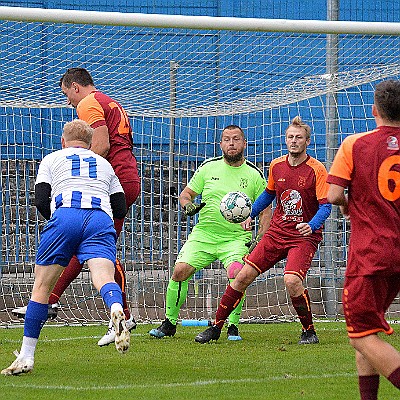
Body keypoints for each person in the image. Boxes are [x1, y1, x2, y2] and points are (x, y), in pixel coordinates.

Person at [12, 68, 140, 346]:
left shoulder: (88, 102)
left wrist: (80, 177)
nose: (69, 102)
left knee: (103, 253)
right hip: (122, 176)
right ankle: (53, 301)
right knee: (87, 248)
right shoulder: (108, 101)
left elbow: (102, 144)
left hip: (113, 180)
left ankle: (123, 316)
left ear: (75, 87)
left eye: (66, 94)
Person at [2, 120, 130, 376]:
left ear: (63, 141)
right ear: (91, 144)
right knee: (104, 276)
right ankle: (116, 309)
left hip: (66, 215)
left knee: (41, 286)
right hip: (99, 218)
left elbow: (40, 199)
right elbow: (120, 206)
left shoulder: (52, 158)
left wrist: (60, 224)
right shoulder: (104, 164)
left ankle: (26, 357)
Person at [195, 116, 332, 344]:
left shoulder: (317, 170)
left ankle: (309, 331)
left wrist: (312, 225)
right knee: (242, 276)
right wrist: (250, 213)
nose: (294, 141)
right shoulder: (276, 165)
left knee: (291, 280)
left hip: (302, 237)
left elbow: (326, 205)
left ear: (307, 141)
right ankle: (215, 327)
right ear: (285, 140)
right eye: (290, 137)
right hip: (277, 233)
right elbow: (269, 194)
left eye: (299, 137)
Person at [149, 125, 271, 340]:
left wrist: (261, 236)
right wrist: (187, 206)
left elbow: (266, 210)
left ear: (244, 143)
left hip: (235, 238)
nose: (231, 143)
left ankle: (232, 326)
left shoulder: (254, 174)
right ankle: (169, 323)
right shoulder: (208, 168)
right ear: (220, 144)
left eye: (235, 139)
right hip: (204, 234)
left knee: (236, 274)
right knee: (179, 271)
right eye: (226, 139)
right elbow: (186, 194)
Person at [326, 79, 400, 399]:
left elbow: (332, 195)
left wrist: (347, 203)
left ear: (374, 110)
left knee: (360, 336)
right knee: (368, 330)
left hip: (371, 254)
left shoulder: (354, 144)